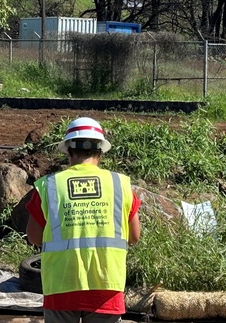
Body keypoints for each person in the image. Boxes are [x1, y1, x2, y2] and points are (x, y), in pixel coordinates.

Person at [26, 117, 141, 323]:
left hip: (61, 286)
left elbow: (34, 237)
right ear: (100, 151)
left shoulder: (48, 186)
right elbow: (134, 236)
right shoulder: (120, 185)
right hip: (106, 287)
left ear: (68, 150)